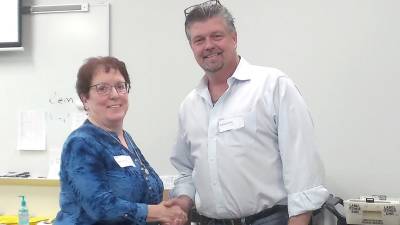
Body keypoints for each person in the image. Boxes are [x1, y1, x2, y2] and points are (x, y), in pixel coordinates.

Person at [166, 1, 329, 225]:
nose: (208, 45)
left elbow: (303, 166)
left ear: (234, 38)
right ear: (192, 47)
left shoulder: (273, 86)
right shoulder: (189, 106)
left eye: (216, 36)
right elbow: (186, 171)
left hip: (271, 219)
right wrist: (182, 201)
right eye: (199, 40)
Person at [54, 56, 187, 225]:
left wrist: (169, 212)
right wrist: (158, 213)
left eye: (120, 86)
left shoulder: (125, 138)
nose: (115, 95)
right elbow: (100, 206)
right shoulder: (81, 143)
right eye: (102, 88)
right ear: (85, 99)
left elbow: (148, 194)